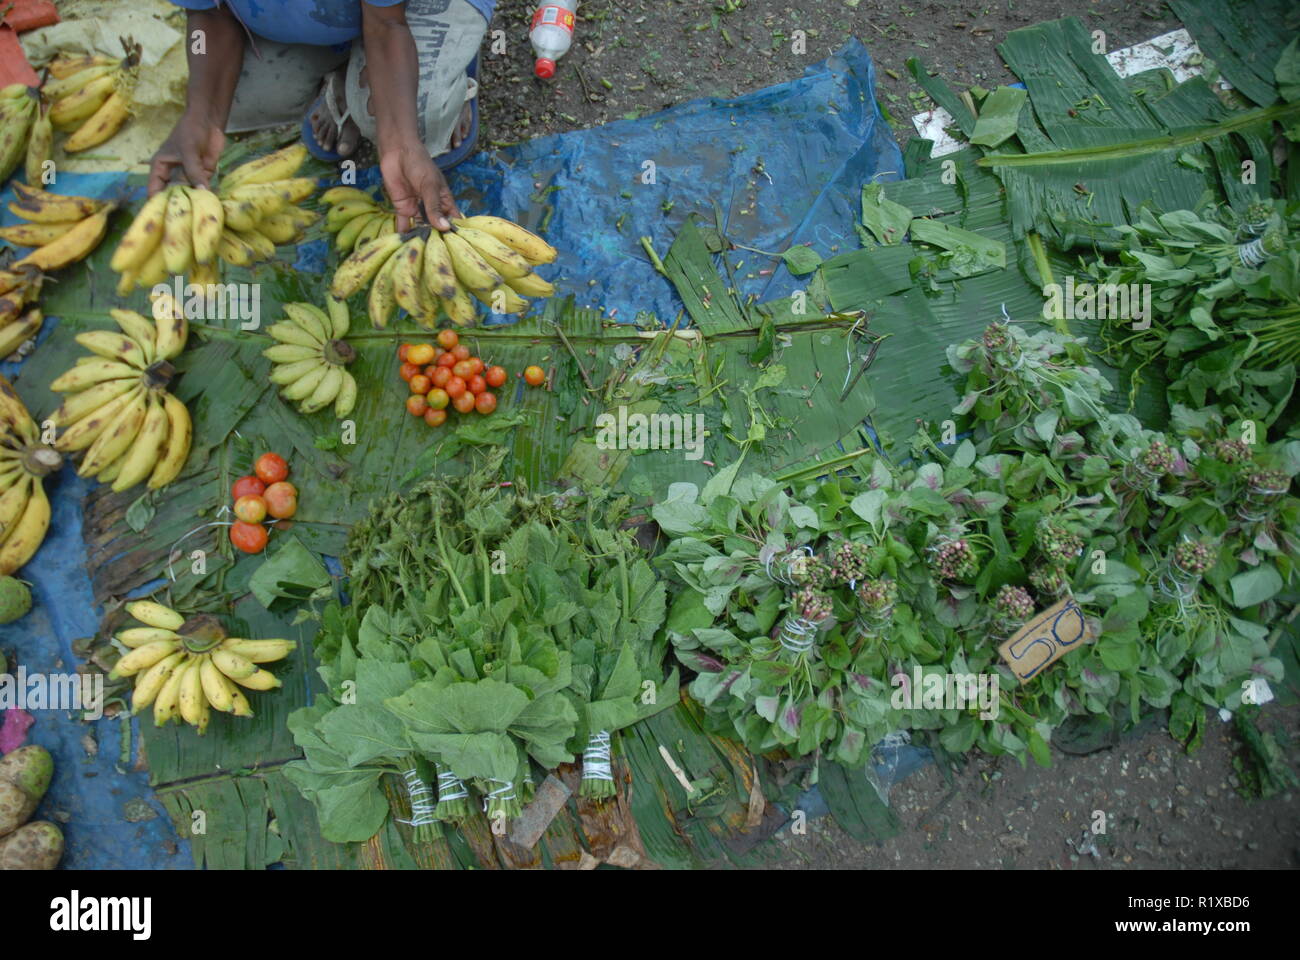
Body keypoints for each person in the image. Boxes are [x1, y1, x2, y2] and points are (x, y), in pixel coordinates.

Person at [149, 0, 494, 231]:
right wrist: (202, 116)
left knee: (418, 118)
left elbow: (386, 24)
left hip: (401, 11)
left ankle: (449, 70)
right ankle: (344, 70)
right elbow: (208, 14)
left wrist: (400, 142)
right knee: (236, 99)